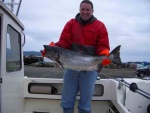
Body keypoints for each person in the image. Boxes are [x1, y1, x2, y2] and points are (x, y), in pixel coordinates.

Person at [42, 0, 110, 112]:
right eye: (83, 9)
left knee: (85, 105)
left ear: (92, 11)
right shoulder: (71, 24)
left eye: (88, 10)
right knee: (67, 102)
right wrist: (53, 47)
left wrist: (104, 54)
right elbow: (64, 42)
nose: (85, 12)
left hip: (90, 69)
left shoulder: (100, 26)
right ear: (79, 10)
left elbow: (102, 45)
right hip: (71, 68)